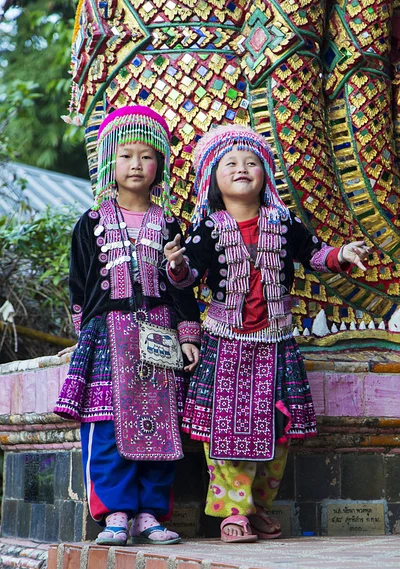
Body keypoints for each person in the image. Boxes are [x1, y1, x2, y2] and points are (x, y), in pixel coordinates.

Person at [164, 125, 370, 543]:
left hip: (277, 342)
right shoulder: (207, 228)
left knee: (279, 428)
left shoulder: (283, 221)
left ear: (266, 174)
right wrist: (176, 265)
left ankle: (257, 507)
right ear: (213, 180)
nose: (243, 169)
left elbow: (313, 254)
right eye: (231, 163)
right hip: (227, 341)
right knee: (225, 430)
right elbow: (184, 279)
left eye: (252, 162)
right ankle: (232, 514)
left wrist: (342, 254)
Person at [54, 105, 201, 546]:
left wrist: (188, 335)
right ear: (108, 165)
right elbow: (79, 286)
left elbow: (182, 288)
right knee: (106, 426)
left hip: (158, 335)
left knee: (160, 422)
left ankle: (150, 515)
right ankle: (114, 513)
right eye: (125, 155)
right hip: (106, 337)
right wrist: (83, 339)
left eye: (146, 155)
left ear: (161, 166)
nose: (136, 164)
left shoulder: (172, 224)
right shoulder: (91, 223)